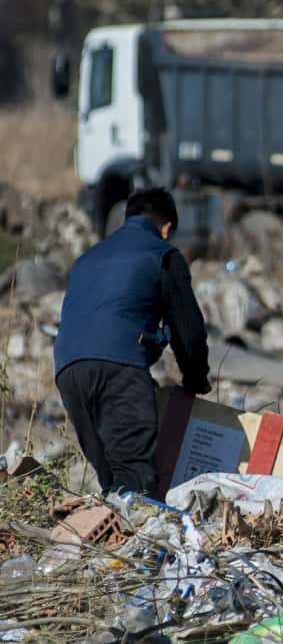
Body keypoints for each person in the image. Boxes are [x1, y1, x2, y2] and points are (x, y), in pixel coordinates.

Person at [54, 188, 211, 496]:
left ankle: (110, 540)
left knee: (112, 479)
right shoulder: (162, 254)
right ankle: (142, 542)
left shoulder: (88, 258)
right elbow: (188, 328)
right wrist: (195, 378)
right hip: (118, 369)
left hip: (68, 373)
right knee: (135, 479)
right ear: (166, 228)